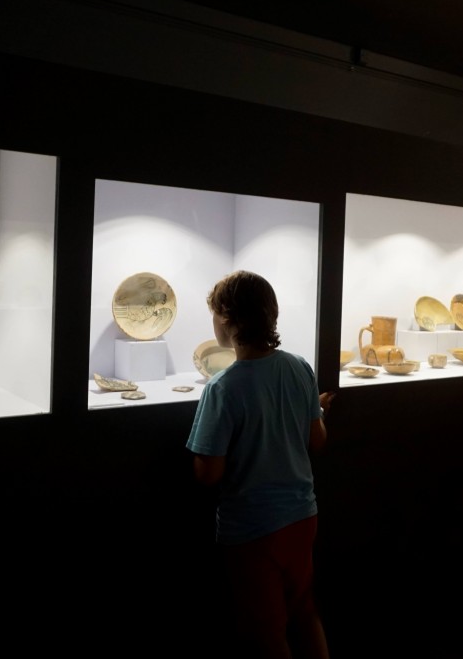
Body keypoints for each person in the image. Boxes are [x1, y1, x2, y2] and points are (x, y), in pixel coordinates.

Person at [186, 270, 333, 659]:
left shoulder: (222, 387)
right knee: (304, 611)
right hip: (303, 516)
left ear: (228, 318)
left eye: (215, 313)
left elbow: (208, 474)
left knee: (265, 632)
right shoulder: (299, 366)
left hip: (252, 528)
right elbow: (318, 441)